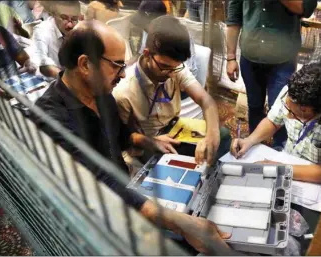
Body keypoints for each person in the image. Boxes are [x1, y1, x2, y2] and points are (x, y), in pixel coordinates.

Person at [33, 20, 231, 255]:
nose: (123, 72)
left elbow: (121, 136)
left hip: (123, 194)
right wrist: (178, 222)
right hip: (90, 218)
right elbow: (97, 180)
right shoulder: (50, 118)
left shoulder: (101, 96)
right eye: (117, 65)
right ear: (85, 64)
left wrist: (150, 141)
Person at [114, 15, 231, 167]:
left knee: (222, 136)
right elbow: (121, 136)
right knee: (170, 165)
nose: (170, 73)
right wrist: (150, 141)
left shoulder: (175, 69)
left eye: (175, 67)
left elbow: (206, 101)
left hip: (175, 128)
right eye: (164, 67)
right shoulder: (124, 91)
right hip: (148, 141)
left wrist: (211, 136)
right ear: (147, 54)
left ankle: (210, 177)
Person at [230, 64, 321, 184]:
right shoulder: (293, 92)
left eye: (297, 114)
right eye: (288, 109)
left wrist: (283, 170)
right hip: (288, 159)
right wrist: (249, 140)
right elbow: (273, 121)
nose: (288, 116)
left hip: (318, 179)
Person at [226, 0, 317, 150]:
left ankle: (279, 149)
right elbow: (234, 17)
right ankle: (253, 146)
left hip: (283, 58)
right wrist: (230, 57)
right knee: (254, 106)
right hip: (251, 56)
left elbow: (306, 8)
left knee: (282, 108)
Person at [131, 0, 198, 79]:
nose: (143, 27)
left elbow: (185, 71)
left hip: (180, 80)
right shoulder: (147, 30)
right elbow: (141, 55)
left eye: (146, 23)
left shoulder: (179, 36)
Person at [32, 1, 83, 78]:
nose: (70, 25)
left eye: (74, 19)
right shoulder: (42, 31)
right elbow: (40, 63)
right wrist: (65, 79)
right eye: (64, 18)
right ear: (54, 15)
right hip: (53, 80)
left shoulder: (82, 29)